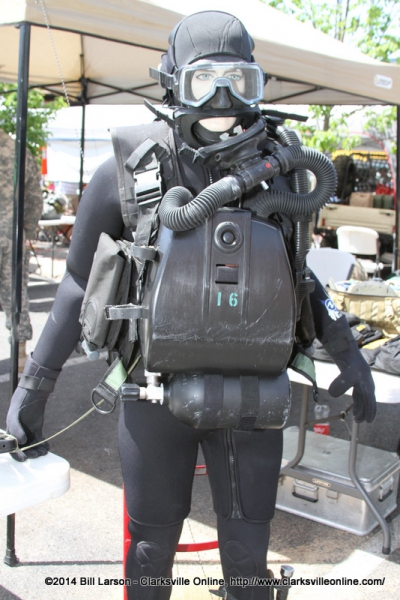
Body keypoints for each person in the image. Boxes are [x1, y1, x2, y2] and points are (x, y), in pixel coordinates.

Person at [6, 11, 376, 600]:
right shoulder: (130, 167)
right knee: (150, 550)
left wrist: (348, 351)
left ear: (258, 84)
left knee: (248, 554)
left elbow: (299, 274)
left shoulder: (281, 171)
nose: (222, 98)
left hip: (253, 394)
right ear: (173, 82)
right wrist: (34, 388)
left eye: (239, 81)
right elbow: (78, 282)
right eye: (204, 80)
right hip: (151, 390)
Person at [0, 128, 43, 370]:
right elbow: (35, 198)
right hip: (12, 234)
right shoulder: (19, 152)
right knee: (15, 293)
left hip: (12, 233)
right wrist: (26, 230)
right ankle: (20, 352)